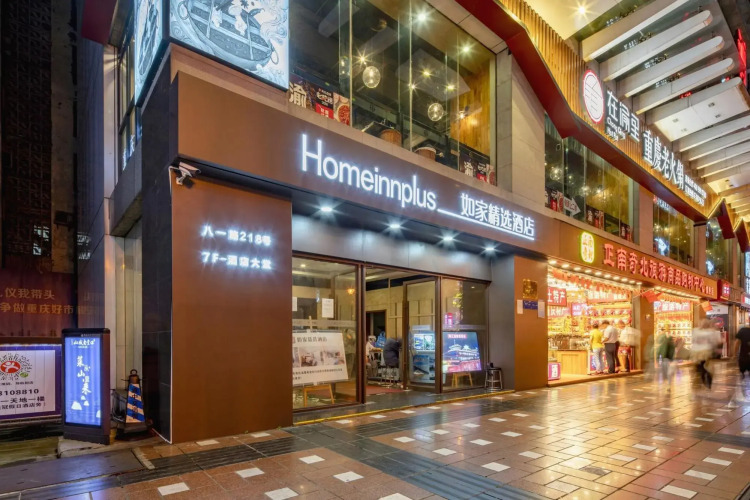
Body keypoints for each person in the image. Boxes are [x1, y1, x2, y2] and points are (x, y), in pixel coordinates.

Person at [691, 318, 722, 390]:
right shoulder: (710, 332)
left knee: (702, 367)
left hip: (700, 352)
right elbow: (715, 342)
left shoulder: (696, 331)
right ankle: (707, 382)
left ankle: (705, 381)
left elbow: (693, 340)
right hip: (704, 352)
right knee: (704, 367)